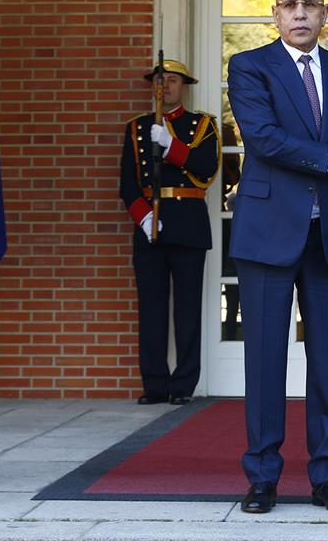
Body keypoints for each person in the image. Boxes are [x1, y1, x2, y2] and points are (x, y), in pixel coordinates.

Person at [226, 0, 328, 514]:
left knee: (327, 365)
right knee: (265, 361)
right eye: (289, 5)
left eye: (310, 5)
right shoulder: (250, 67)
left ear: (324, 14)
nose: (299, 13)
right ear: (275, 14)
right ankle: (263, 477)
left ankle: (326, 477)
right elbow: (265, 140)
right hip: (267, 236)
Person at [119, 59, 220, 407]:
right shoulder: (136, 129)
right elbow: (127, 185)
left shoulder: (202, 125)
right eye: (159, 80)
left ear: (184, 86)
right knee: (151, 310)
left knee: (188, 310)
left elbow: (207, 170)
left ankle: (183, 386)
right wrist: (144, 218)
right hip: (150, 227)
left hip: (188, 223)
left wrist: (172, 146)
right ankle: (155, 384)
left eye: (172, 80)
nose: (165, 86)